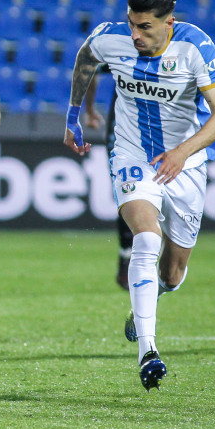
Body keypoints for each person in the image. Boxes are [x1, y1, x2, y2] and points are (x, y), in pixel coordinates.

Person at [64, 0, 215, 391]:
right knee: (146, 238)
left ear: (168, 22)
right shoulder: (112, 38)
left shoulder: (195, 47)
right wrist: (74, 114)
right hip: (132, 155)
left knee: (173, 273)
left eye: (145, 28)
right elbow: (86, 58)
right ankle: (148, 351)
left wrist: (181, 152)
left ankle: (149, 298)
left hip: (186, 164)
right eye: (131, 24)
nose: (135, 35)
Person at [83, 72, 134, 291]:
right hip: (122, 133)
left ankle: (149, 257)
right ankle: (128, 254)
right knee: (128, 194)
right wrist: (89, 108)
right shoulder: (118, 39)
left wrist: (90, 109)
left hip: (164, 133)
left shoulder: (177, 45)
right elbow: (90, 67)